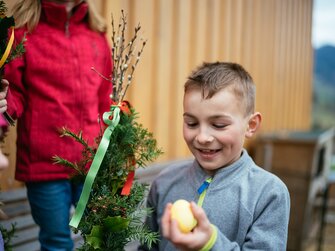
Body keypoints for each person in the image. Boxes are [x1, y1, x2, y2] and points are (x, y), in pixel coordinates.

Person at [139, 62, 290, 250]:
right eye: (192, 123)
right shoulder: (164, 183)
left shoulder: (268, 193)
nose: (202, 137)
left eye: (218, 125)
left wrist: (211, 243)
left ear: (250, 125)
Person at [3, 0, 113, 250]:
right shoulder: (21, 33)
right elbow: (14, 94)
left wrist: (110, 147)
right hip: (45, 166)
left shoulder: (95, 34)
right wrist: (4, 104)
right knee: (56, 242)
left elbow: (104, 97)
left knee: (102, 240)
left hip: (91, 164)